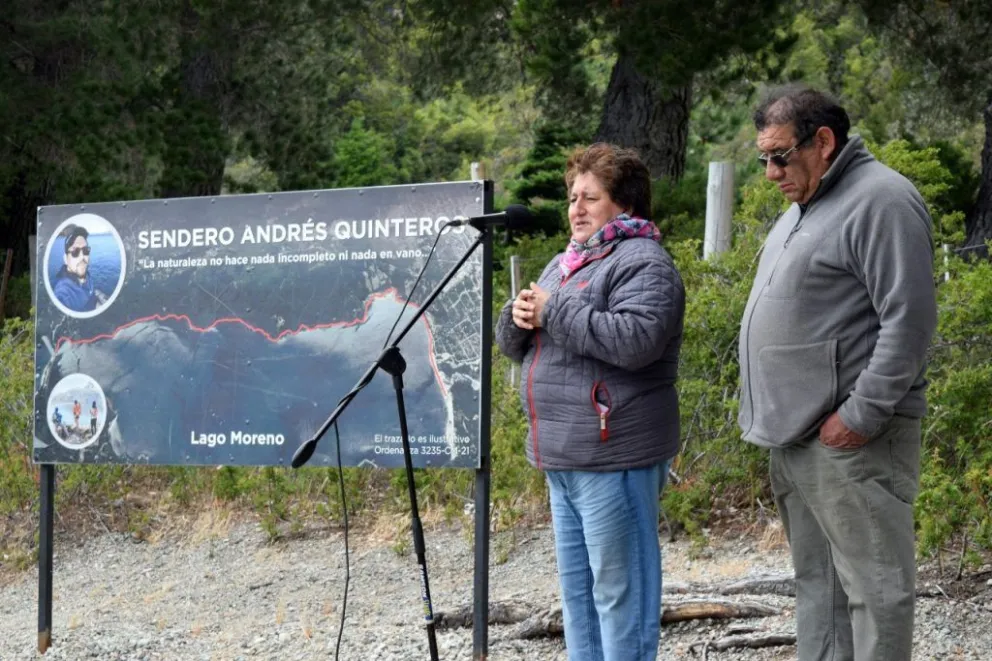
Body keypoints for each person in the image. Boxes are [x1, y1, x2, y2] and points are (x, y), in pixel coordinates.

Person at [738, 85, 938, 661]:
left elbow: (910, 321)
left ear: (823, 142)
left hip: (852, 443)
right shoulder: (804, 207)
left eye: (780, 155)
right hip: (797, 441)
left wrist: (860, 416)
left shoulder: (882, 199)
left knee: (876, 593)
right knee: (819, 591)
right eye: (763, 159)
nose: (771, 172)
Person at [495, 143, 685, 661]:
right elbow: (515, 341)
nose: (575, 208)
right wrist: (516, 316)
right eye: (572, 197)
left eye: (590, 198)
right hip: (563, 454)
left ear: (625, 204)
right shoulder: (566, 261)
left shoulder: (645, 263)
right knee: (578, 598)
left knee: (621, 595)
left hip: (615, 455)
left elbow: (635, 342)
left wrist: (552, 313)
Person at [53, 225, 103, 312]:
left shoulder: (86, 274)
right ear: (65, 259)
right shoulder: (63, 293)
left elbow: (91, 293)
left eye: (85, 250)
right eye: (75, 252)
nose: (82, 256)